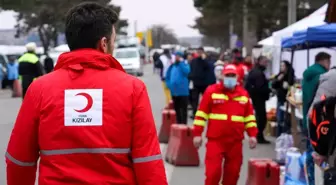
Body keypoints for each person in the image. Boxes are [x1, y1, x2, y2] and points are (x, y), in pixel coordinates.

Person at [5, 2, 167, 185]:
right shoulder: (133, 88)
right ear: (104, 44)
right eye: (114, 41)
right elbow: (148, 160)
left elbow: (19, 159)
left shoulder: (39, 89)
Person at [193, 64, 258, 185]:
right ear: (222, 76)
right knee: (213, 174)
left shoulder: (243, 95)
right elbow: (201, 114)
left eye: (233, 75)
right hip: (216, 141)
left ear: (237, 77)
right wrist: (197, 134)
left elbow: (249, 118)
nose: (230, 78)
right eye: (228, 75)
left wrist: (253, 135)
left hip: (235, 142)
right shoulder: (211, 92)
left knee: (232, 175)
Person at [302, 52, 331, 185]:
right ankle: (314, 180)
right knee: (317, 155)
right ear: (324, 61)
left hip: (309, 117)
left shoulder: (308, 74)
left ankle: (310, 179)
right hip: (320, 121)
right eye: (328, 61)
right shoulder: (322, 76)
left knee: (310, 152)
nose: (329, 65)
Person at [245, 56, 271, 144]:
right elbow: (260, 87)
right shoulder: (258, 73)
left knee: (259, 117)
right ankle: (259, 136)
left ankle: (258, 135)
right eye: (265, 62)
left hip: (255, 97)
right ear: (259, 62)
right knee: (261, 118)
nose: (266, 64)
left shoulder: (255, 71)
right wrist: (268, 89)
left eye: (267, 62)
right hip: (259, 98)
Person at [166, 51, 190, 124]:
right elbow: (167, 76)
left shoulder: (184, 65)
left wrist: (181, 63)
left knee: (183, 110)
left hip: (183, 92)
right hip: (174, 92)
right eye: (176, 56)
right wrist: (169, 85)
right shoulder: (172, 66)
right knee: (177, 110)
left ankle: (184, 125)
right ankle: (178, 124)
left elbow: (187, 72)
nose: (177, 57)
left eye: (178, 56)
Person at [271, 60, 295, 136]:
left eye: (283, 66)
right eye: (281, 66)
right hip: (280, 98)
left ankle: (286, 134)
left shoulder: (290, 75)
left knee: (287, 118)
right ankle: (279, 134)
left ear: (287, 67)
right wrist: (278, 80)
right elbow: (273, 85)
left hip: (288, 99)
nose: (281, 67)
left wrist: (289, 86)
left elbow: (293, 86)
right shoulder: (279, 75)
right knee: (280, 117)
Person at [189, 47, 211, 117]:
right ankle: (194, 112)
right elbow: (191, 69)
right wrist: (191, 77)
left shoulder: (205, 60)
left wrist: (204, 59)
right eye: (198, 52)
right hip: (195, 83)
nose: (199, 53)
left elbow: (208, 67)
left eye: (201, 52)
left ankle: (206, 112)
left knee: (205, 99)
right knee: (194, 98)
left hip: (204, 83)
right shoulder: (194, 61)